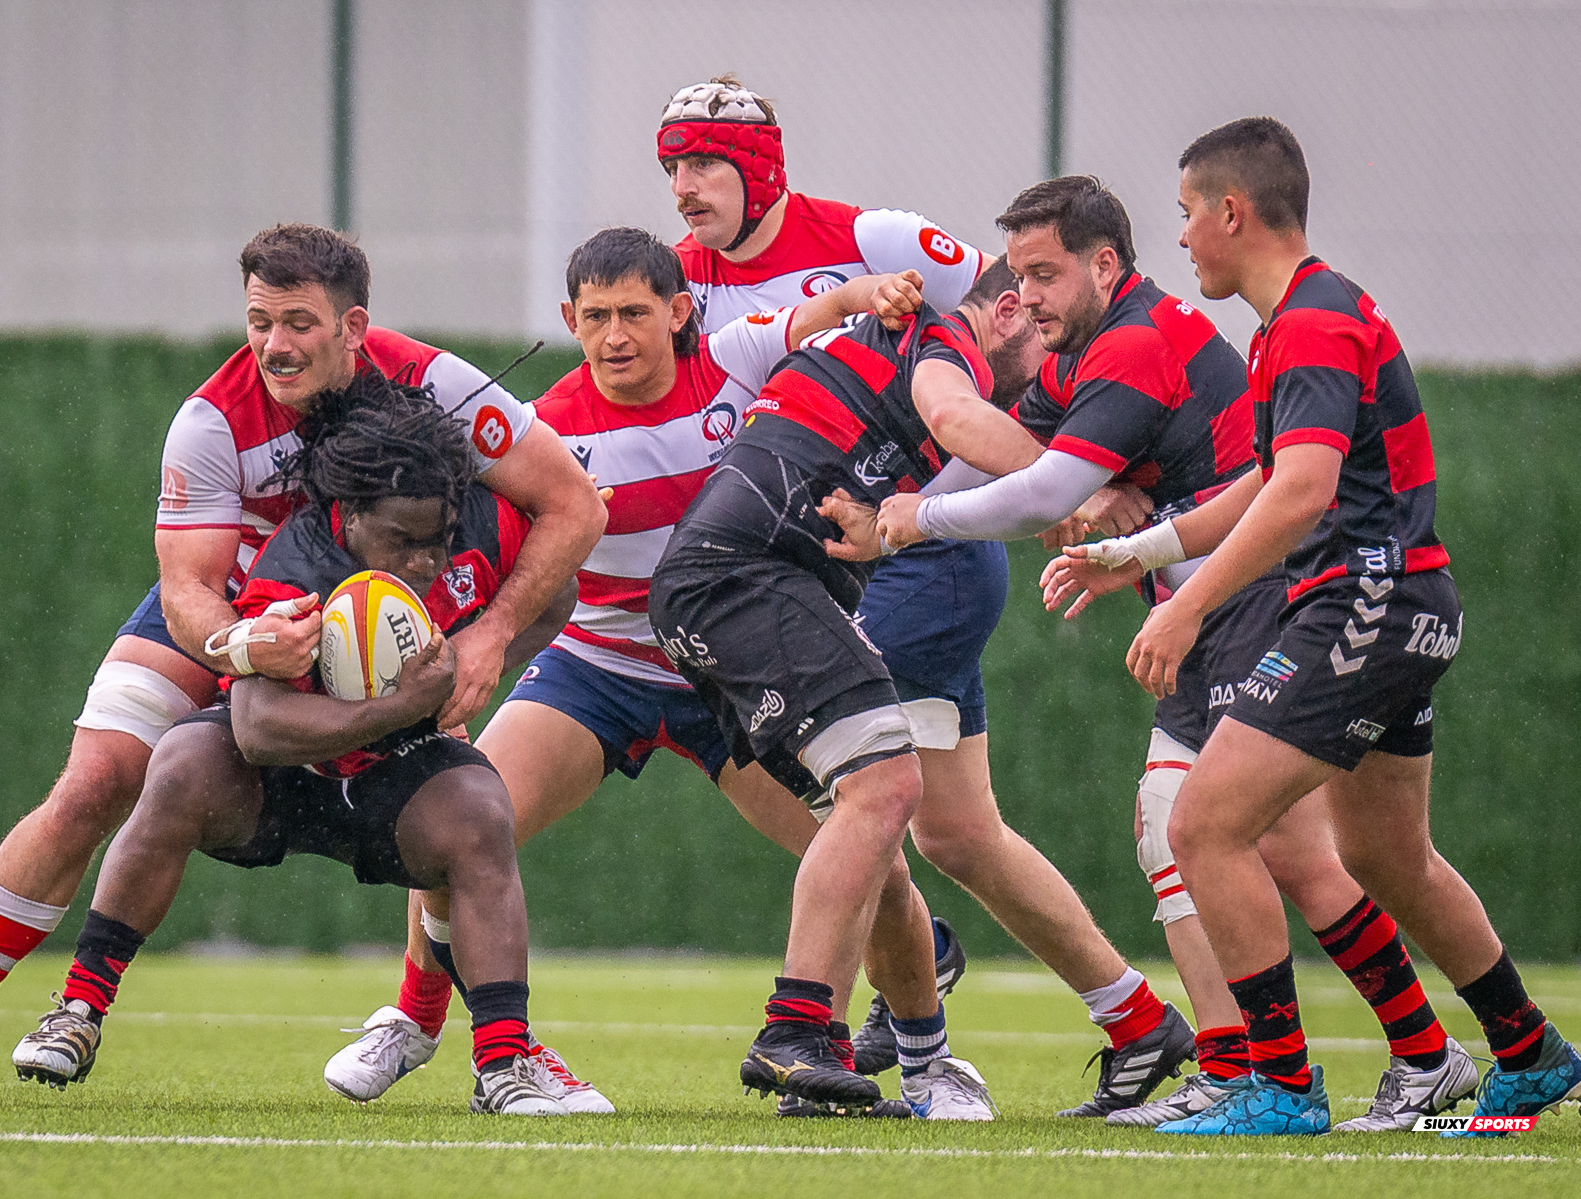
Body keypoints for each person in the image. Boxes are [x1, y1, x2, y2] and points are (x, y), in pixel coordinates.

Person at [0, 224, 605, 1097]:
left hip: (378, 616)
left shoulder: (436, 385)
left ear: (354, 328)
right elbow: (187, 590)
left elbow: (572, 507)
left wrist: (485, 641)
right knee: (101, 778)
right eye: (259, 321)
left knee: (468, 809)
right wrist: (243, 643)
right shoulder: (211, 419)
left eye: (298, 323)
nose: (273, 346)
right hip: (236, 602)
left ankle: (469, 1039)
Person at [855, 176, 1470, 1130]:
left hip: (1258, 594)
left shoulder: (1141, 342)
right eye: (1015, 277)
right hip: (1241, 593)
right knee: (1275, 845)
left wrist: (914, 519)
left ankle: (1272, 1071)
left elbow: (1037, 489)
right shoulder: (1094, 348)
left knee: (1208, 828)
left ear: (1106, 264)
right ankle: (1412, 1054)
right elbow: (1026, 461)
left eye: (1045, 273)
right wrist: (1067, 498)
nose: (1027, 299)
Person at [338, 227, 993, 1120]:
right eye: (596, 315)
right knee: (455, 816)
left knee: (871, 856)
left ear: (680, 311)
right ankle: (415, 1020)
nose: (616, 334)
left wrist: (876, 293)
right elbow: (492, 562)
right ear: (569, 319)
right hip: (599, 664)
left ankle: (927, 1060)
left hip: (732, 669)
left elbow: (826, 309)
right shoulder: (547, 427)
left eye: (636, 313)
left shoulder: (735, 358)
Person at [660, 75, 1192, 1116]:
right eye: (673, 165)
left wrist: (1064, 481)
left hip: (909, 564)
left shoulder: (888, 251)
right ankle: (1135, 1019)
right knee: (952, 829)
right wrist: (1077, 483)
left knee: (865, 794)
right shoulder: (687, 284)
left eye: (702, 163)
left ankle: (898, 1035)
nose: (684, 184)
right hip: (831, 553)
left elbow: (958, 418)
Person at [1049, 117, 1578, 1136]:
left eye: (1188, 216)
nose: (1187, 239)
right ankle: (1529, 1051)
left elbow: (1298, 494)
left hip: (1363, 605)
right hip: (1401, 605)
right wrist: (1144, 554)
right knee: (1389, 857)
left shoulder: (1313, 321)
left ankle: (1282, 1088)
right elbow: (1259, 479)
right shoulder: (1295, 324)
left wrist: (1190, 605)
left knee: (1204, 822)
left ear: (1233, 211)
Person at [8, 381, 580, 1115]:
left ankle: (502, 1065)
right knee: (179, 765)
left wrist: (490, 642)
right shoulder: (296, 563)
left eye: (437, 538)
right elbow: (257, 727)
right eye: (403, 541)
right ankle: (79, 1010)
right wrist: (404, 703)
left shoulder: (475, 521)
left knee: (481, 811)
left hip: (395, 778)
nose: (429, 561)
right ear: (350, 516)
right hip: (277, 774)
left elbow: (555, 590)